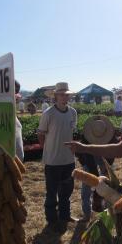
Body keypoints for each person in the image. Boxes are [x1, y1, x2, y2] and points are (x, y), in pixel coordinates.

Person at [37, 82, 78, 225]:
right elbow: (41, 134)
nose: (64, 97)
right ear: (56, 96)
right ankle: (51, 219)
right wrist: (47, 150)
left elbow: (71, 132)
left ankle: (65, 215)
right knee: (51, 192)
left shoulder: (73, 112)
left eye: (66, 95)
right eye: (61, 95)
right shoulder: (48, 114)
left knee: (67, 191)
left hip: (68, 159)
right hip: (52, 161)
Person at [77, 115, 116, 221]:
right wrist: (93, 175)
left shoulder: (111, 136)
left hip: (105, 154)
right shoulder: (86, 137)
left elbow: (112, 155)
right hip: (89, 155)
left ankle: (109, 212)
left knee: (108, 185)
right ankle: (87, 214)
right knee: (86, 185)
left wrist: (105, 171)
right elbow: (82, 155)